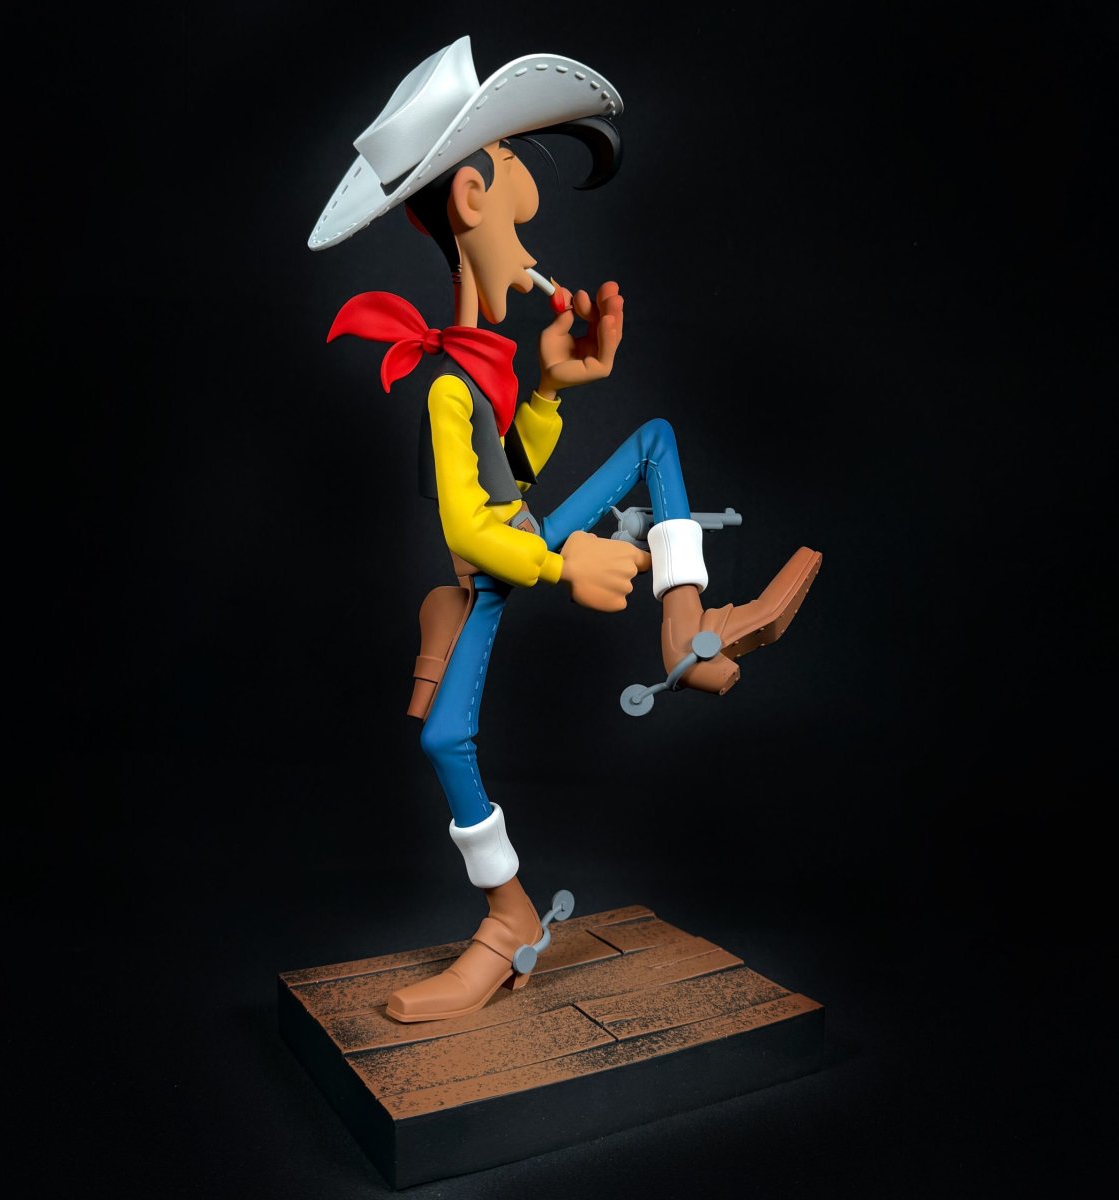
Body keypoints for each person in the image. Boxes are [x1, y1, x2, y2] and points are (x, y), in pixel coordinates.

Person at [311, 36, 821, 1023]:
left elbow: (512, 474)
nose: (527, 197)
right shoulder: (447, 381)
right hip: (500, 563)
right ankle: (508, 919)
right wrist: (559, 562)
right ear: (471, 198)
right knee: (446, 739)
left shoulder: (479, 361)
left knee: (653, 438)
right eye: (511, 166)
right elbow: (470, 522)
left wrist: (549, 387)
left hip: (517, 547)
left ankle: (686, 629)